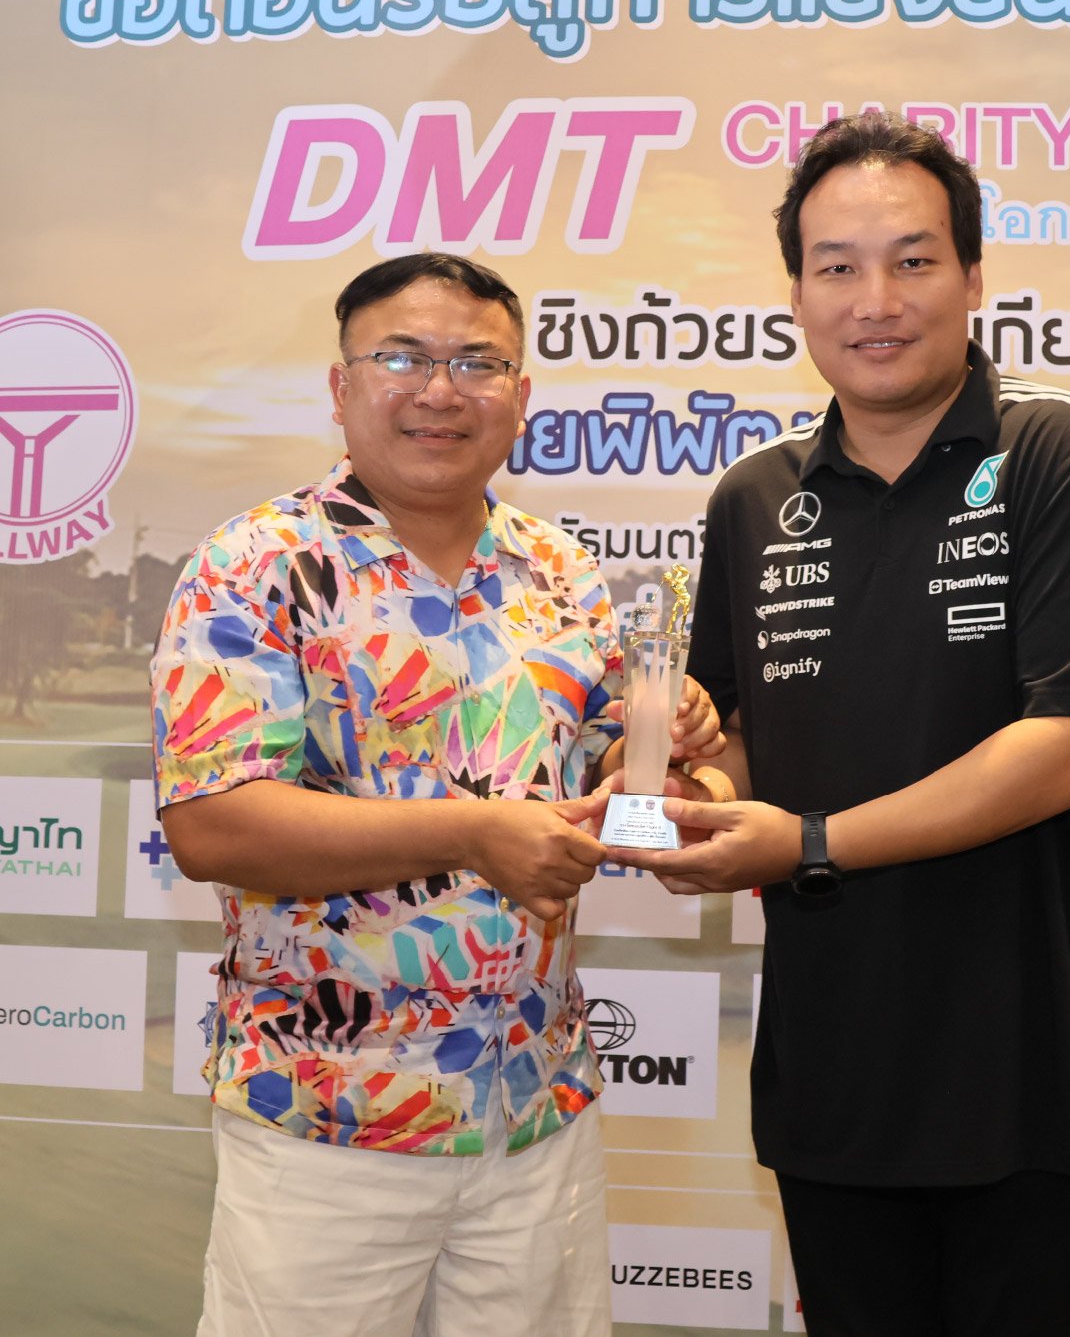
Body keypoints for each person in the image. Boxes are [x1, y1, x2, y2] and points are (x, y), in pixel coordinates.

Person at [619, 112, 1070, 1335]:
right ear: (796, 294)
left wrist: (808, 843)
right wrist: (686, 801)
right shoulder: (752, 498)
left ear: (972, 277)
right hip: (835, 1056)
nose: (874, 300)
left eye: (913, 260)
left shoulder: (1064, 451)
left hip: (1026, 1060)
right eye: (837, 267)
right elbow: (735, 746)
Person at [151, 253, 724, 1336]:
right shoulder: (255, 564)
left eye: (477, 363)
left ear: (520, 394)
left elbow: (618, 778)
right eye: (403, 358)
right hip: (328, 1119)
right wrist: (472, 832)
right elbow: (214, 825)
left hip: (535, 1113)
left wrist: (673, 747)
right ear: (341, 386)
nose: (440, 390)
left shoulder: (561, 572)